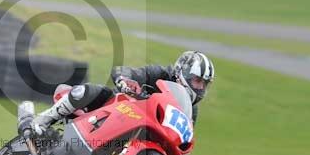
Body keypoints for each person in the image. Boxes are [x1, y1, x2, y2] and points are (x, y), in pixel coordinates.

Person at [28, 50, 215, 136]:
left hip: (138, 133)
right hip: (116, 110)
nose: (199, 87)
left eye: (204, 84)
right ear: (182, 72)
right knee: (89, 91)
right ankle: (43, 120)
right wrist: (125, 81)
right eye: (197, 80)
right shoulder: (159, 74)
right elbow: (126, 71)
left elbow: (182, 135)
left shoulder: (190, 109)